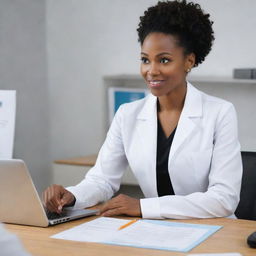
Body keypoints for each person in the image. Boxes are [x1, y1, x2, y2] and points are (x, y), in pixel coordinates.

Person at [43, 0, 242, 219]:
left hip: (214, 232)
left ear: (189, 61)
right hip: (155, 231)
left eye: (164, 60)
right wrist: (72, 195)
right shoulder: (127, 115)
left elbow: (224, 199)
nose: (151, 71)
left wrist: (144, 207)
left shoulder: (220, 113)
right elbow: (102, 179)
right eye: (145, 60)